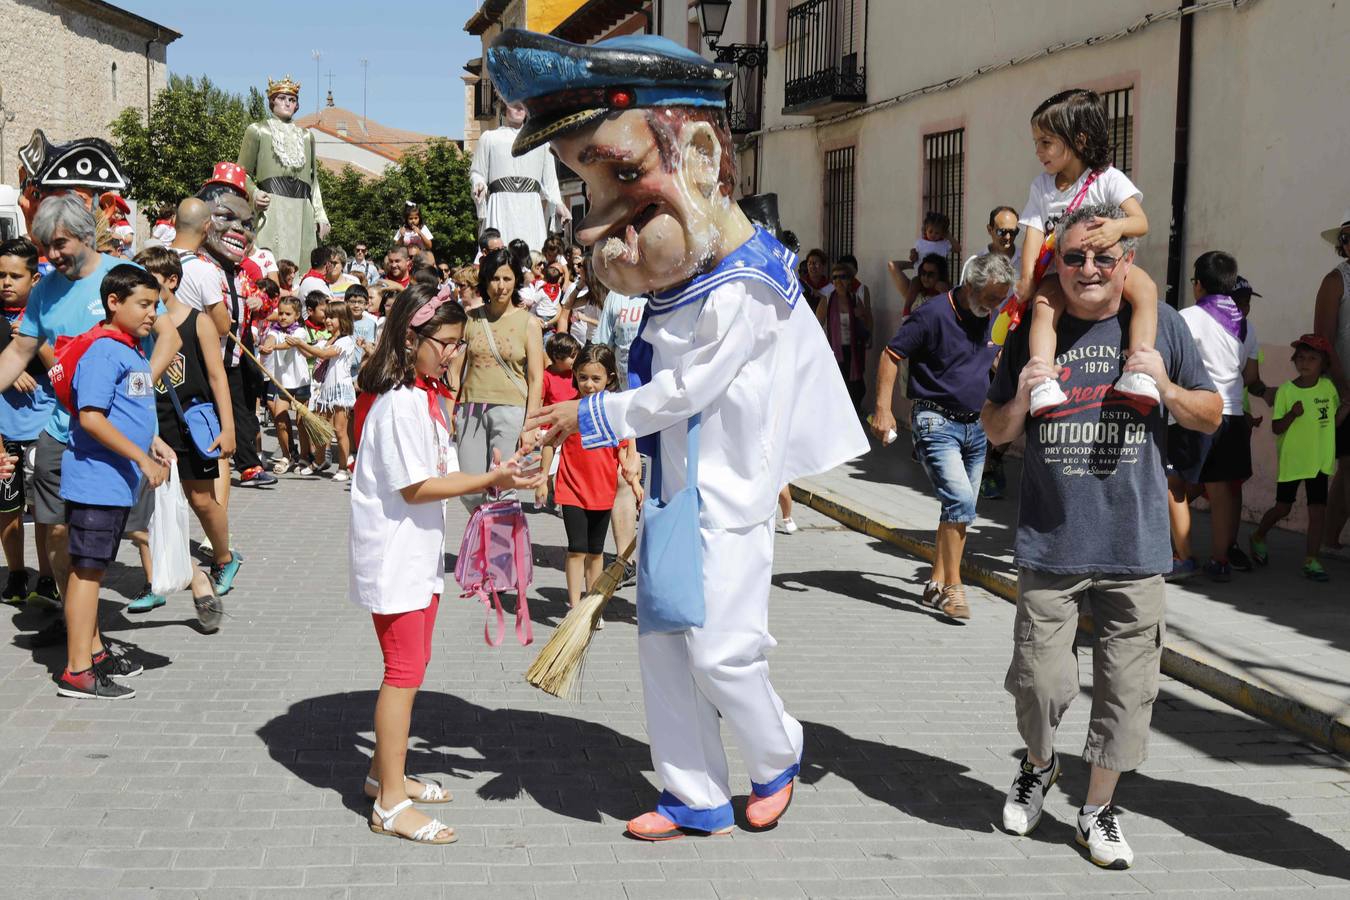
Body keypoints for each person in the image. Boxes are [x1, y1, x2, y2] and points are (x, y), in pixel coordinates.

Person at [492, 29, 867, 840]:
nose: (597, 222)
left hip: (727, 498)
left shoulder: (750, 284)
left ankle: (777, 754)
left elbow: (690, 389)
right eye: (588, 187)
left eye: (621, 174)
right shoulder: (680, 285)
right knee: (664, 647)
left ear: (698, 154)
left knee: (723, 651)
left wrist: (588, 417)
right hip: (668, 494)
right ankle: (692, 792)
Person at [982, 203, 1221, 870]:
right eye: (1074, 257)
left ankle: (1098, 809)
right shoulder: (1036, 328)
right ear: (1057, 265)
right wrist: (1021, 397)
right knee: (1039, 683)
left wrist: (1167, 388)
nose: (1089, 268)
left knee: (1126, 693)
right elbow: (994, 430)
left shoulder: (1161, 326)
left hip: (1135, 548)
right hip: (1051, 545)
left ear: (1126, 262)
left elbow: (1210, 414)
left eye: (1101, 257)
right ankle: (1039, 765)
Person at [350, 283, 541, 845]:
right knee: (402, 675)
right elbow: (417, 487)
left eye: (458, 344)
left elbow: (441, 472)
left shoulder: (424, 397)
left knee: (412, 668)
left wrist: (495, 474)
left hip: (417, 556)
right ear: (412, 338)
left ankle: (384, 774)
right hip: (395, 559)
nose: (455, 354)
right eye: (447, 343)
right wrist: (492, 479)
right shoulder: (402, 403)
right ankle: (388, 803)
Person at [0, 196, 180, 640]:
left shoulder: (120, 277)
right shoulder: (43, 291)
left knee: (109, 538)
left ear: (84, 233)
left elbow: (170, 336)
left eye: (59, 243)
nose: (52, 255)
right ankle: (80, 627)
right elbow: (20, 351)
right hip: (61, 431)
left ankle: (89, 636)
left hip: (112, 435)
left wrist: (134, 391)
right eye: (45, 246)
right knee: (57, 531)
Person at [873, 252, 1016, 620]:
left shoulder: (994, 317)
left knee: (959, 510)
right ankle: (954, 587)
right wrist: (884, 409)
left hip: (977, 426)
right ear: (970, 286)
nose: (995, 307)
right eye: (990, 299)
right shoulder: (933, 314)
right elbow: (891, 354)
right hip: (936, 421)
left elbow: (991, 359)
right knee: (960, 501)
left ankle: (936, 583)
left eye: (1000, 299)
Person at [55, 264, 173, 700]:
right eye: (143, 304)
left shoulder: (131, 348)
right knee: (87, 574)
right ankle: (77, 670)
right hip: (96, 479)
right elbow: (90, 417)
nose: (151, 313)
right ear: (113, 303)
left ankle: (95, 652)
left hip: (113, 480)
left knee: (94, 568)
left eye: (155, 305)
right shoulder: (106, 351)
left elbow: (128, 410)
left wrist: (154, 441)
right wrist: (141, 456)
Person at [1015, 89, 1159, 416]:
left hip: (1105, 270)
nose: (1038, 151)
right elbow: (1034, 233)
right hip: (1063, 274)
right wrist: (1026, 280)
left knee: (1146, 289)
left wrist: (1117, 229)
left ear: (1078, 140)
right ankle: (1042, 379)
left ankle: (1139, 367)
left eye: (1046, 142)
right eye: (1036, 142)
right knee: (1043, 305)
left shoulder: (1107, 179)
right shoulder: (1041, 186)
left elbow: (1141, 222)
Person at [133, 246, 237, 612]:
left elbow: (216, 376)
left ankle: (224, 557)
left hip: (191, 422)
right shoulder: (137, 326)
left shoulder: (198, 322)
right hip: (151, 421)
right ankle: (154, 581)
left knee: (200, 500)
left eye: (151, 281)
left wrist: (228, 428)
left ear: (172, 281)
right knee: (145, 506)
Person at [1165, 251, 1268, 583]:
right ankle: (1220, 560)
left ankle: (1183, 556)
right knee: (1221, 489)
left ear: (1198, 285)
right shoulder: (1246, 325)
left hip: (1194, 414)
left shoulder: (1185, 318)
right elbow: (1250, 375)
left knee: (1176, 485)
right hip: (1234, 415)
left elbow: (1171, 364)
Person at [556, 344, 642, 621]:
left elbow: (627, 456)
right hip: (571, 489)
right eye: (583, 378)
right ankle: (573, 606)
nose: (589, 385)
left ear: (610, 379)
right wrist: (541, 476)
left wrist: (636, 483)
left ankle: (592, 608)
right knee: (576, 547)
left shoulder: (615, 413)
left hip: (603, 491)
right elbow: (550, 440)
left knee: (596, 552)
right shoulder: (570, 409)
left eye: (596, 379)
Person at [454, 247, 543, 509]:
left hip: (511, 409)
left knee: (502, 489)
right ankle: (481, 536)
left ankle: (499, 548)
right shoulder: (469, 320)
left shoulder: (529, 323)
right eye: (494, 278)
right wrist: (450, 408)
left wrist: (531, 426)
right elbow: (455, 369)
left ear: (516, 281)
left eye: (507, 279)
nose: (500, 286)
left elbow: (537, 378)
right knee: (469, 490)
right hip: (470, 409)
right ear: (485, 281)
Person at [1250, 334, 1342, 581]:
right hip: (1293, 461)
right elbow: (1276, 427)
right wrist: (1292, 414)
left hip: (1319, 461)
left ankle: (1311, 560)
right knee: (1283, 507)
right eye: (1301, 357)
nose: (1305, 362)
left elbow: (1332, 421)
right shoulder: (1287, 392)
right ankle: (1258, 535)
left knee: (1318, 511)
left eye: (1312, 358)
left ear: (1323, 364)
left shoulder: (1328, 388)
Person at [0, 238, 57, 607]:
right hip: (5, 431)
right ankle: (17, 573)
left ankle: (48, 577)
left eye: (15, 276)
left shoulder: (49, 315)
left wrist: (31, 343)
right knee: (7, 510)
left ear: (34, 280)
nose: (6, 282)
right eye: (1, 275)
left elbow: (62, 369)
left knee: (45, 512)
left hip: (43, 429)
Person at [238, 75, 330, 266]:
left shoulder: (307, 136)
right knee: (271, 264)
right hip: (271, 206)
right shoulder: (257, 130)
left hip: (302, 210)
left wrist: (320, 214)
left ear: (297, 105)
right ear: (272, 102)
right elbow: (242, 172)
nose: (287, 103)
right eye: (282, 98)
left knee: (303, 266)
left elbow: (314, 180)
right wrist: (254, 193)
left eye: (292, 99)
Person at [963, 206, 1022, 499]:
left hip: (1018, 345)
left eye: (1014, 231)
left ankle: (993, 460)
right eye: (1002, 231)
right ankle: (979, 467)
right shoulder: (976, 263)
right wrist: (988, 348)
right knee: (984, 408)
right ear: (989, 230)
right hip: (985, 344)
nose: (1008, 237)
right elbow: (970, 308)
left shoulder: (1029, 260)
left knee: (1017, 408)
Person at [470, 102, 569, 250]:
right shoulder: (489, 138)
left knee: (532, 252)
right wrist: (479, 184)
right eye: (514, 104)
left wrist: (559, 205)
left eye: (523, 104)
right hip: (501, 205)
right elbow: (477, 172)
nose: (519, 108)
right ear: (504, 108)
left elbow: (550, 181)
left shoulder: (540, 141)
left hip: (530, 208)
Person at [1312, 208, 1350, 559]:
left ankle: (1329, 540)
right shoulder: (1336, 281)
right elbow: (1323, 340)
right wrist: (1343, 387)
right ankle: (1329, 539)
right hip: (1344, 391)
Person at [294, 298, 357, 482]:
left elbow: (322, 354)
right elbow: (310, 351)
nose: (328, 320)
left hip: (340, 391)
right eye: (327, 316)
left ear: (343, 319)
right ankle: (319, 461)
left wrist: (300, 343)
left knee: (339, 431)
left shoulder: (346, 341)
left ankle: (344, 467)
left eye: (333, 317)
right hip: (326, 391)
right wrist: (291, 344)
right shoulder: (329, 339)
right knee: (320, 429)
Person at [258, 296, 311, 473]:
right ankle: (288, 456)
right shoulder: (274, 330)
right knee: (279, 420)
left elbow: (288, 345)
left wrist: (273, 348)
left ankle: (305, 457)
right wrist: (267, 346)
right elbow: (271, 339)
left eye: (288, 314)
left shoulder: (300, 332)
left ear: (296, 316)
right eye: (280, 313)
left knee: (301, 422)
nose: (282, 317)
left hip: (301, 381)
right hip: (282, 383)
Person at [815, 261, 872, 413]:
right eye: (835, 277)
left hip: (854, 351)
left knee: (857, 388)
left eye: (843, 277)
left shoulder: (855, 299)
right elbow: (816, 325)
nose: (838, 281)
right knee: (837, 387)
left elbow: (866, 322)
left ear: (849, 280)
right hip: (834, 352)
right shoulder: (827, 300)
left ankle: (854, 416)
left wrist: (861, 316)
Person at [536, 332, 580, 508]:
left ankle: (562, 495)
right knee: (550, 462)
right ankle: (546, 483)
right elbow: (540, 399)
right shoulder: (546, 376)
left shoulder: (576, 374)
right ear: (557, 357)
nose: (574, 360)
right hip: (551, 426)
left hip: (571, 427)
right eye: (571, 357)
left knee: (567, 464)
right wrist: (537, 424)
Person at [889, 252, 949, 318]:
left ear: (940, 276)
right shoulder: (914, 294)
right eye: (923, 272)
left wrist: (944, 294)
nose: (926, 277)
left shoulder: (949, 295)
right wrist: (915, 264)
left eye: (930, 274)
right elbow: (893, 265)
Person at [799, 248, 830, 314]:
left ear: (823, 266)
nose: (812, 266)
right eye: (809, 263)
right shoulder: (800, 285)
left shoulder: (830, 288)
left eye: (816, 263)